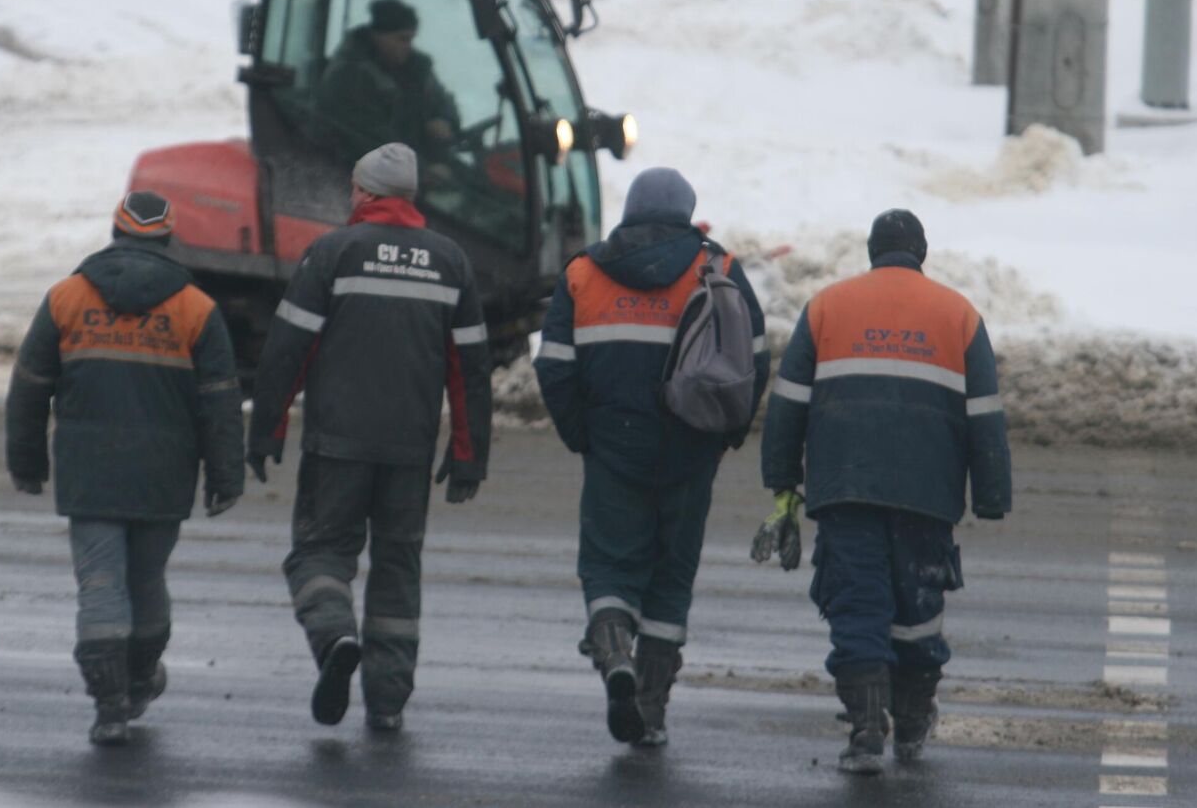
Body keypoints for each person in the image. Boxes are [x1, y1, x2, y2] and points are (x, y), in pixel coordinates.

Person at [246, 142, 492, 732]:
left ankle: (334, 637)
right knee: (398, 565)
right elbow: (471, 370)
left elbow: (288, 351)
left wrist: (266, 427)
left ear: (362, 192)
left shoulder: (333, 253)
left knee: (319, 553)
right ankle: (387, 699)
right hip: (408, 451)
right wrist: (468, 454)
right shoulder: (451, 261)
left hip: (337, 445)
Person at [760, 208, 1012, 775]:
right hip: (926, 496)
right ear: (920, 254)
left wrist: (783, 479)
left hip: (845, 489)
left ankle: (867, 729)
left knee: (857, 608)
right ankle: (915, 718)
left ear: (872, 252)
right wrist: (992, 494)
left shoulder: (827, 306)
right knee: (917, 611)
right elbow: (985, 417)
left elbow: (788, 403)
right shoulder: (959, 315)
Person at [532, 168, 769, 748]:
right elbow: (753, 361)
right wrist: (725, 434)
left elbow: (554, 365)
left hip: (614, 447)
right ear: (688, 210)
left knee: (610, 566)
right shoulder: (718, 270)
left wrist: (581, 434)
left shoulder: (583, 273)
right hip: (691, 448)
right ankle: (651, 709)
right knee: (671, 576)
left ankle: (615, 655)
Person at [4, 190, 244, 746]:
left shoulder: (66, 297)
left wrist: (26, 462)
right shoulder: (196, 308)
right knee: (146, 579)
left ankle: (109, 706)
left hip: (89, 471)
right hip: (164, 474)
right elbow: (220, 402)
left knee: (101, 584)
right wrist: (225, 478)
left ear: (115, 233)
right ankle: (138, 680)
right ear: (167, 239)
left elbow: (29, 388)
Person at [315, 0, 462, 168]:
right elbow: (368, 141)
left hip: (416, 166)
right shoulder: (349, 76)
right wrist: (423, 172)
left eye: (411, 39)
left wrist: (444, 120)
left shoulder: (417, 69)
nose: (408, 46)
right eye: (401, 39)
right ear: (378, 36)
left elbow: (442, 100)